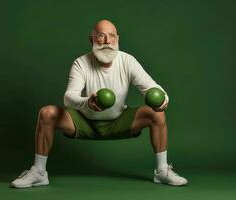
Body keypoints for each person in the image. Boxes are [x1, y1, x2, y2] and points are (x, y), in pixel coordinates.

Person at [11, 19, 188, 188]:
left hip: (118, 121)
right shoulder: (81, 63)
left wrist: (163, 100)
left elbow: (153, 88)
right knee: (47, 113)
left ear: (117, 39)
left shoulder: (127, 61)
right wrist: (87, 102)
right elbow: (69, 97)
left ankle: (162, 170)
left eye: (111, 36)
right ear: (92, 39)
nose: (107, 41)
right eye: (101, 35)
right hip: (84, 123)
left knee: (157, 113)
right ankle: (39, 173)